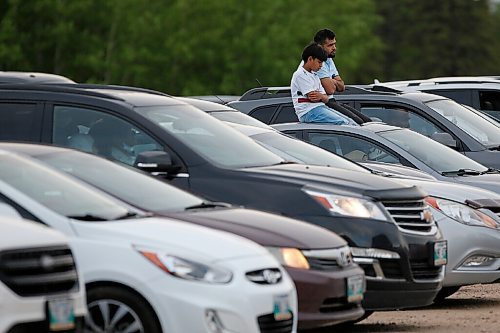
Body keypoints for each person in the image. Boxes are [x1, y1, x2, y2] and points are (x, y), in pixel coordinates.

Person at [313, 28, 372, 124]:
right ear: (319, 46)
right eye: (330, 45)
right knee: (357, 123)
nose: (334, 48)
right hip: (323, 103)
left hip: (331, 100)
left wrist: (333, 81)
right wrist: (334, 82)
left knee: (367, 122)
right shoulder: (317, 61)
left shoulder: (328, 59)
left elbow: (341, 87)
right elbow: (330, 90)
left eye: (334, 44)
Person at [291, 43, 352, 124]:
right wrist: (321, 97)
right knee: (343, 122)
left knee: (350, 121)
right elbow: (312, 97)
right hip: (308, 112)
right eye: (319, 62)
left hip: (320, 107)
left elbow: (326, 99)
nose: (321, 65)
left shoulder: (315, 75)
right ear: (310, 59)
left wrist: (321, 96)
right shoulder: (300, 75)